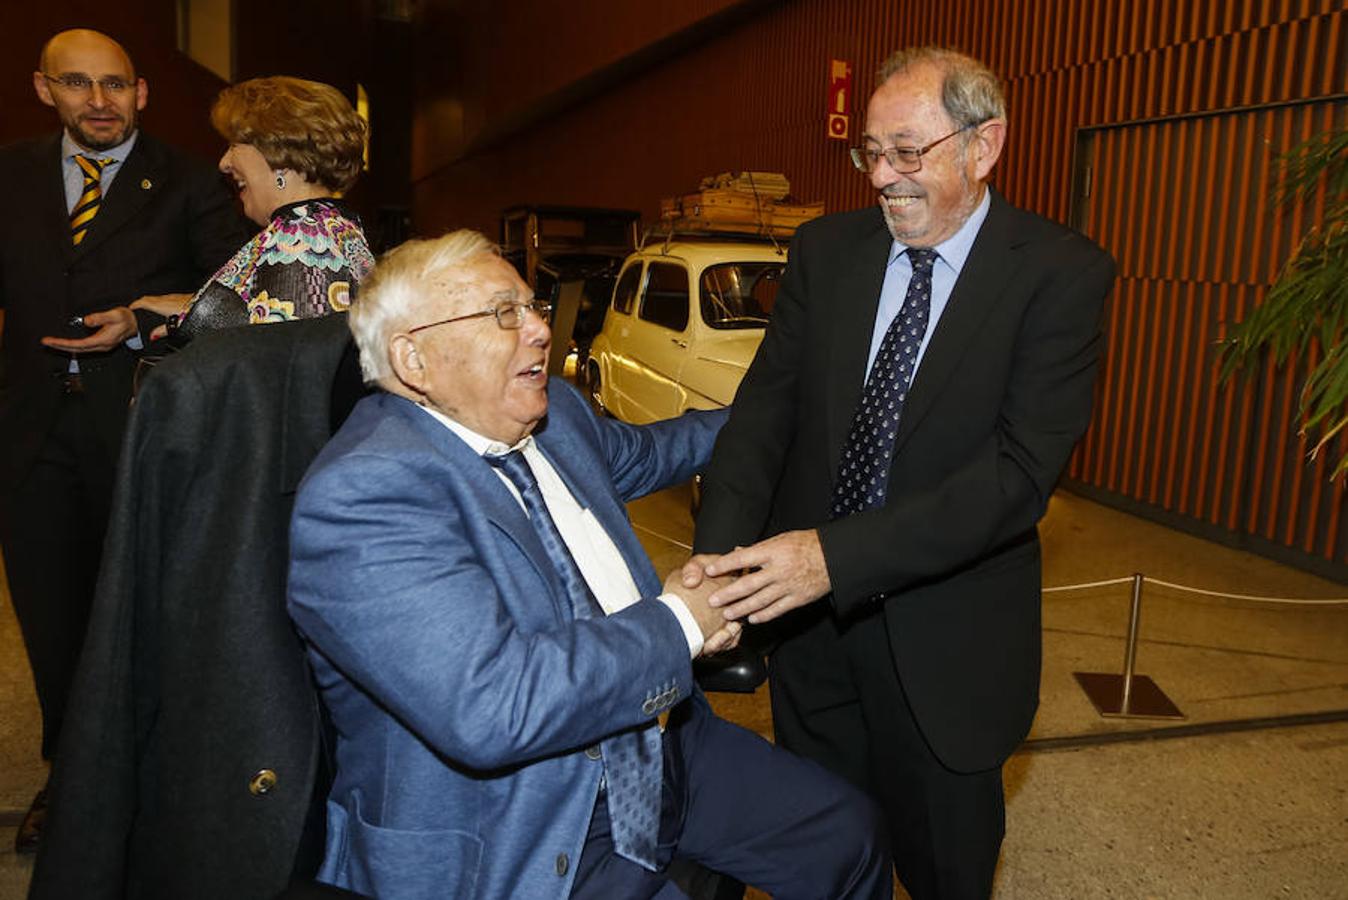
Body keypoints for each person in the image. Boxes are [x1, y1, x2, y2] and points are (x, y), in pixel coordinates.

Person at [286, 229, 892, 899]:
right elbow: (496, 707)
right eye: (501, 314)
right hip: (525, 817)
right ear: (414, 359)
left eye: (532, 305)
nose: (541, 329)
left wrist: (788, 411)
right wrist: (682, 624)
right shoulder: (365, 496)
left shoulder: (555, 414)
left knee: (852, 839)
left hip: (657, 741)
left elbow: (656, 452)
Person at [688, 47, 1117, 899]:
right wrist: (719, 568)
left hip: (947, 652)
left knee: (945, 874)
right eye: (870, 153)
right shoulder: (825, 252)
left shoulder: (1060, 274)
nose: (883, 177)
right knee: (822, 865)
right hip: (811, 644)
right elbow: (762, 421)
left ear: (983, 145)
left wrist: (832, 558)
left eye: (907, 153)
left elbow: (1017, 475)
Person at [0, 28, 250, 853]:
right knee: (52, 618)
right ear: (46, 90)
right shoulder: (9, 173)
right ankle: (69, 780)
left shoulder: (192, 180)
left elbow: (230, 297)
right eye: (78, 84)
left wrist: (142, 318)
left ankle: (154, 781)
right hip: (31, 438)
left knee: (150, 616)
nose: (99, 102)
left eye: (115, 85)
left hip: (148, 432)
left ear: (142, 92)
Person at [132, 76, 373, 335]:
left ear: (278, 151)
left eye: (234, 145)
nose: (224, 163)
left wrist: (193, 329)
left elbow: (283, 361)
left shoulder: (303, 240)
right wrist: (196, 310)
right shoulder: (326, 228)